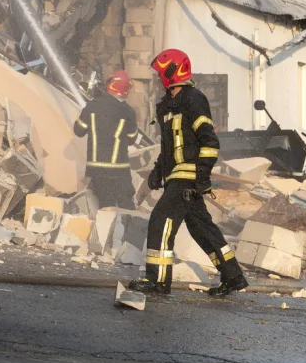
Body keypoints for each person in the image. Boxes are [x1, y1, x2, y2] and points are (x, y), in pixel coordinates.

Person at [129, 49, 249, 297]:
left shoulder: (194, 99)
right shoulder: (166, 106)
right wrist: (157, 171)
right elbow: (169, 146)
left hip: (187, 177)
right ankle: (233, 277)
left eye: (161, 73)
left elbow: (209, 142)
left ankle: (158, 281)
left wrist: (202, 177)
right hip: (175, 175)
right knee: (201, 227)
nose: (157, 78)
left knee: (161, 220)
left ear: (174, 72)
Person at [73, 70, 138, 209]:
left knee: (101, 207)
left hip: (96, 170)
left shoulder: (92, 106)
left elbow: (78, 130)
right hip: (120, 171)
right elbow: (132, 139)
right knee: (126, 206)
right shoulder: (129, 112)